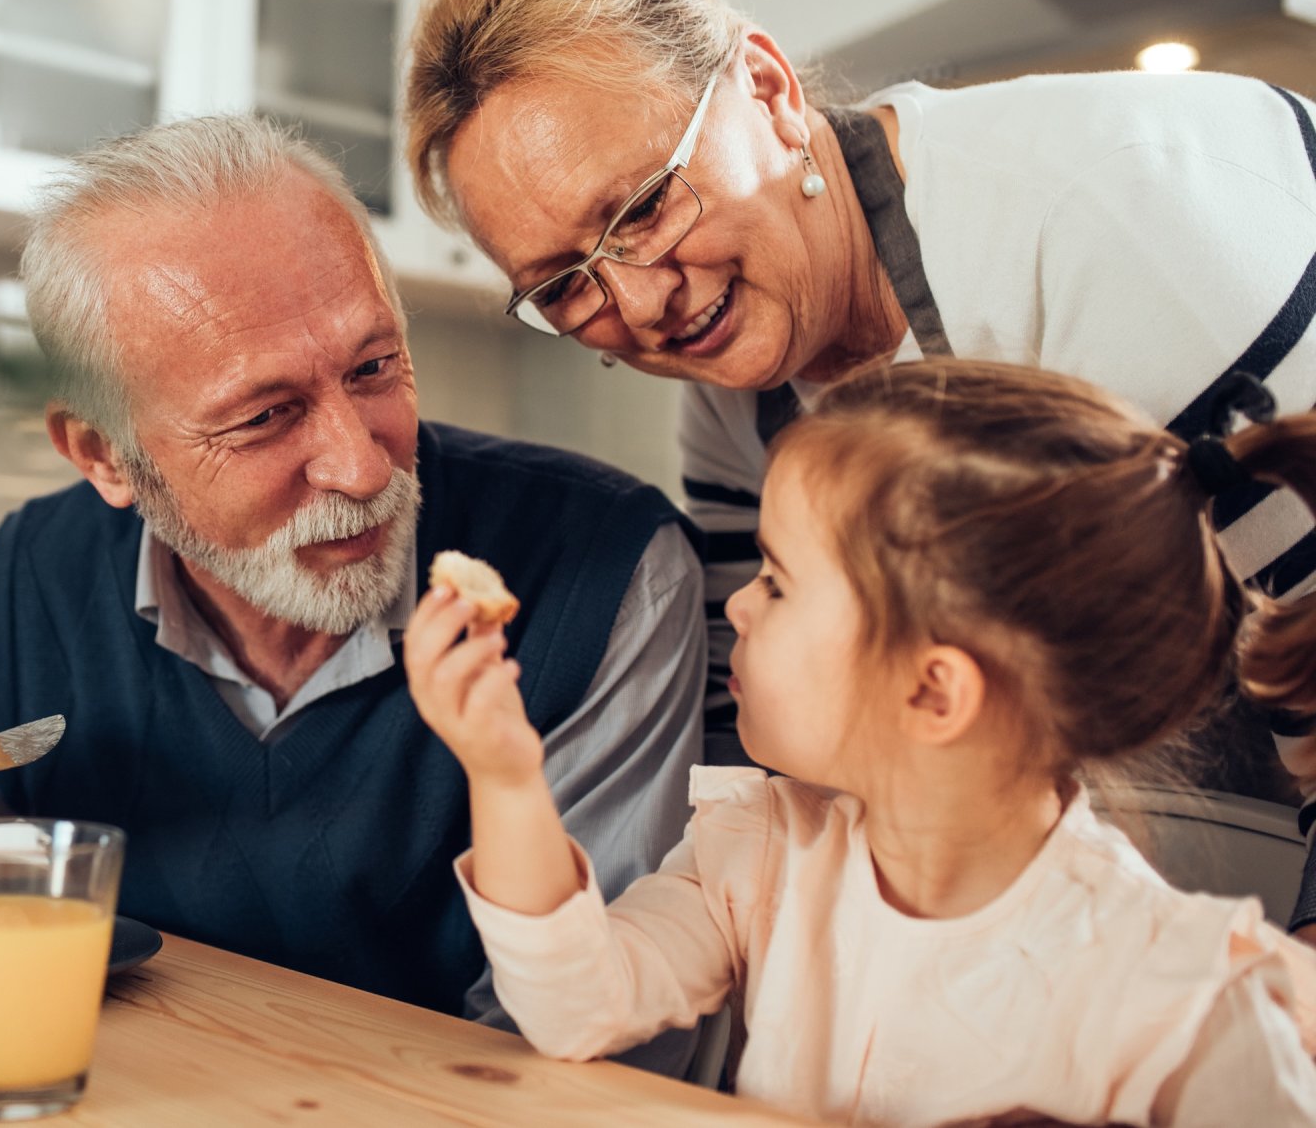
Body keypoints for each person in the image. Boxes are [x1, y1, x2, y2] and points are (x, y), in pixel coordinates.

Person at [401, 0, 1316, 905]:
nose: (641, 301)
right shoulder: (738, 400)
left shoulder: (1112, 232)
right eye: (565, 284)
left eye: (644, 206)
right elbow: (767, 729)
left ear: (766, 87)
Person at [0, 114, 707, 1063]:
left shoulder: (608, 573)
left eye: (375, 365)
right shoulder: (26, 572)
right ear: (105, 454)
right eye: (265, 416)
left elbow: (599, 1059)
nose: (359, 466)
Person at [407, 358, 1316, 1125]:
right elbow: (574, 1005)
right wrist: (505, 774)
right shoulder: (757, 848)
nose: (739, 604)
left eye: (778, 579)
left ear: (932, 688)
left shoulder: (1183, 1001)